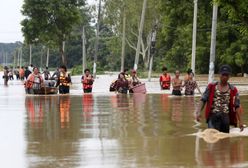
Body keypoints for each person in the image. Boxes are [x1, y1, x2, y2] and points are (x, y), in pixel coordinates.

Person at [195, 65, 244, 133]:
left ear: (229, 76)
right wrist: (198, 112)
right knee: (211, 138)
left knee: (224, 140)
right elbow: (203, 99)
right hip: (213, 117)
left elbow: (237, 106)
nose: (224, 77)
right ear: (219, 74)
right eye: (223, 74)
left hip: (225, 118)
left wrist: (240, 122)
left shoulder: (233, 89)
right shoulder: (211, 86)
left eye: (226, 75)